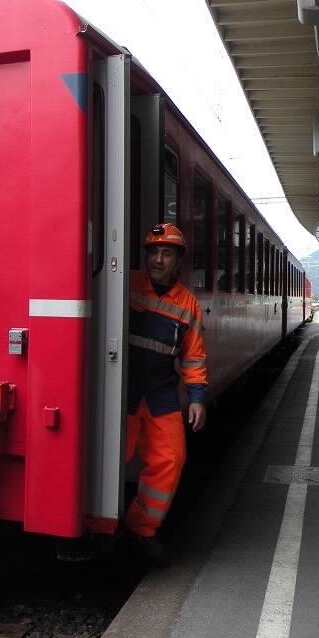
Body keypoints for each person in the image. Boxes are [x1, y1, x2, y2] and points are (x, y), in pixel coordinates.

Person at [123, 223, 208, 565]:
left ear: (178, 262)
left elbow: (194, 355)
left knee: (171, 459)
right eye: (153, 252)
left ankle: (141, 529)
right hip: (122, 389)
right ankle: (96, 525)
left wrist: (198, 398)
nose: (158, 259)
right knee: (109, 457)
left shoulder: (188, 303)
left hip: (160, 392)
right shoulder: (125, 282)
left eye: (166, 253)